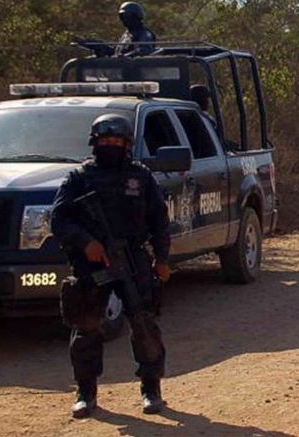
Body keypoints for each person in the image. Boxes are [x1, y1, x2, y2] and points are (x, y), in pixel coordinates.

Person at [51, 114, 171, 418]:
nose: (111, 147)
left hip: (133, 259)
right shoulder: (79, 178)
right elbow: (59, 219)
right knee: (87, 326)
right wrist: (86, 243)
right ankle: (85, 392)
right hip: (93, 264)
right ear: (94, 143)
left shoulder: (140, 177)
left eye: (117, 142)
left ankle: (151, 389)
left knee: (144, 323)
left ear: (128, 145)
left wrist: (162, 258)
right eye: (105, 142)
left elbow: (159, 220)